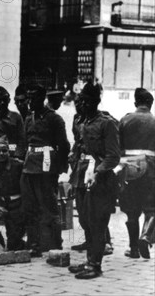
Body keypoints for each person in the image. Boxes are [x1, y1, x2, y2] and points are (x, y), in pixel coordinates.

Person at [68, 83, 120, 280]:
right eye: (81, 101)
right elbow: (79, 147)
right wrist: (73, 158)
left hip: (101, 180)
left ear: (96, 102)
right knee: (84, 220)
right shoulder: (83, 123)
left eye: (88, 101)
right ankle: (90, 258)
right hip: (81, 176)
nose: (83, 104)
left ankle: (95, 265)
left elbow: (113, 156)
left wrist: (97, 171)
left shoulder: (107, 123)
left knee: (97, 221)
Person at [21, 84, 70, 256]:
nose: (29, 101)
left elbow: (63, 145)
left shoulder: (54, 119)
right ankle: (34, 244)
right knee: (30, 207)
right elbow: (25, 142)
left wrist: (60, 167)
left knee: (49, 206)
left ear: (41, 99)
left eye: (32, 98)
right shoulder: (29, 118)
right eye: (28, 97)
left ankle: (55, 243)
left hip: (46, 168)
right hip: (29, 167)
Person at [119, 88, 155, 259]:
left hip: (129, 170)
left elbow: (117, 147)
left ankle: (133, 249)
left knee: (131, 211)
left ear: (135, 103)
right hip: (150, 170)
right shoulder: (154, 121)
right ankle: (146, 236)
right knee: (152, 209)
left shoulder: (125, 120)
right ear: (151, 104)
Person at [0, 86, 25, 159]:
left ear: (9, 100)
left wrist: (17, 156)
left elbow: (22, 140)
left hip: (14, 156)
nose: (2, 103)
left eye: (4, 100)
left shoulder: (16, 117)